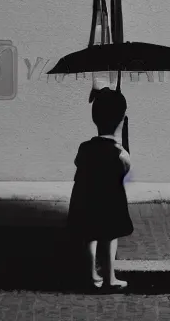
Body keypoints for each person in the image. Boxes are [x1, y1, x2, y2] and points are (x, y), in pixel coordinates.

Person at [67, 86, 133, 290]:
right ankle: (110, 277)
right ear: (121, 121)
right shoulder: (120, 153)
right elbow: (125, 171)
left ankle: (92, 275)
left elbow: (78, 163)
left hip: (87, 198)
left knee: (90, 235)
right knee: (110, 236)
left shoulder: (85, 147)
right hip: (111, 200)